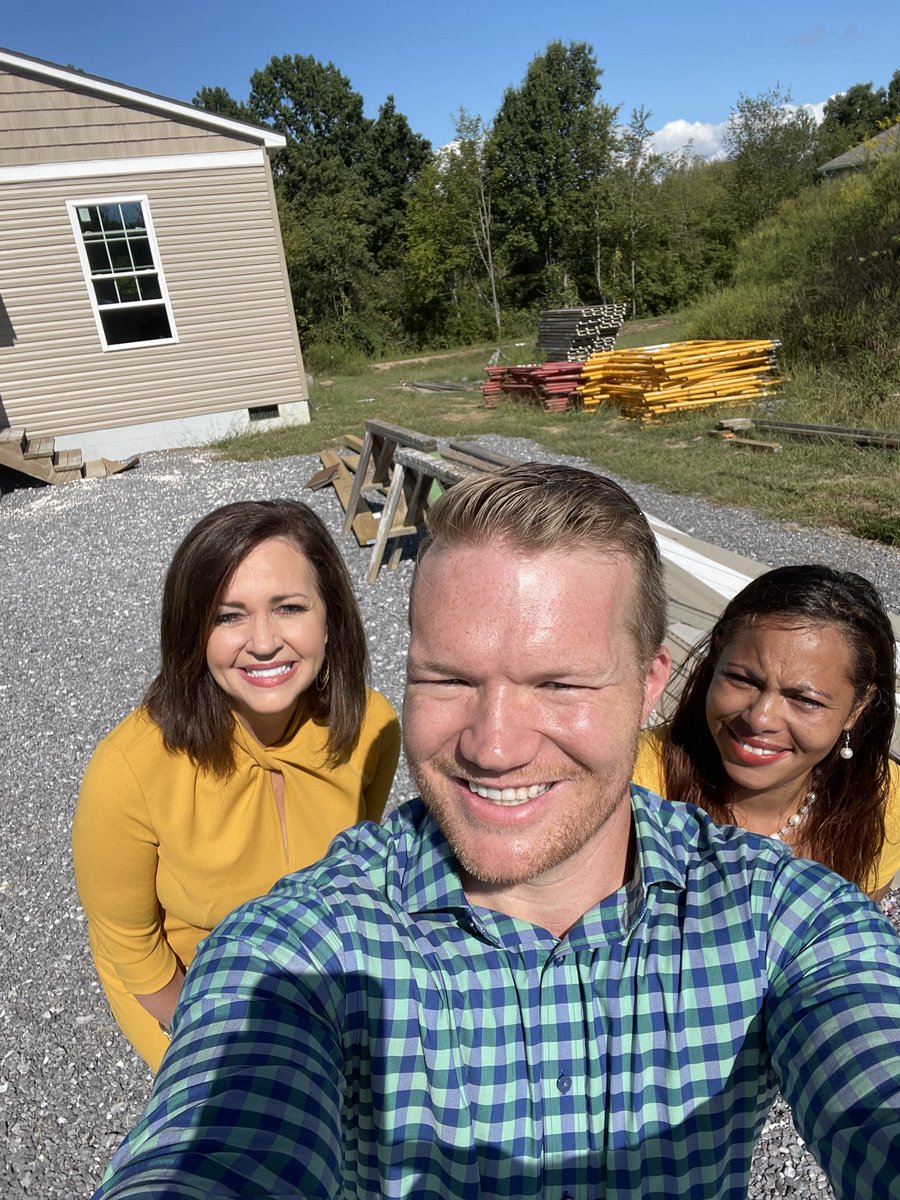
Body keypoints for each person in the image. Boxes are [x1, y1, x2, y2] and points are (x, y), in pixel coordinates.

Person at [94, 466, 900, 1199]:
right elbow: (214, 1144)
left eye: (560, 683)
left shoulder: (783, 918)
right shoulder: (296, 950)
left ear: (653, 681)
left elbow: (872, 1066)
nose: (495, 746)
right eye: (447, 679)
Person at [72, 499, 400, 1071]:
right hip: (182, 990)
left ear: (331, 617)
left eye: (290, 607)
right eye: (229, 616)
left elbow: (357, 869)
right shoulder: (128, 770)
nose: (265, 641)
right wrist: (212, 1041)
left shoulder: (373, 726)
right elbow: (129, 942)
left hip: (314, 973)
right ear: (192, 633)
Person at [633, 565, 900, 900]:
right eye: (743, 680)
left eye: (805, 700)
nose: (760, 718)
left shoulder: (881, 801)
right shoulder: (631, 782)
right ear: (717, 656)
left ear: (857, 709)